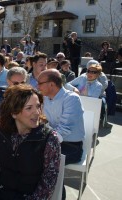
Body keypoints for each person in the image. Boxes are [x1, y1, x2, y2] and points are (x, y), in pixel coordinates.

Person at [0, 84, 61, 199]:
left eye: (38, 106)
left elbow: (48, 184)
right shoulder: (1, 133)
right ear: (14, 113)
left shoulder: (49, 138)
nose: (37, 112)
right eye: (29, 108)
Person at [37, 69, 85, 199]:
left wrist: (43, 142)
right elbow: (42, 122)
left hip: (71, 146)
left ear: (51, 84)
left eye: (40, 83)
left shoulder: (72, 99)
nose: (37, 86)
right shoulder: (45, 98)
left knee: (45, 163)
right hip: (52, 141)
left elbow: (65, 129)